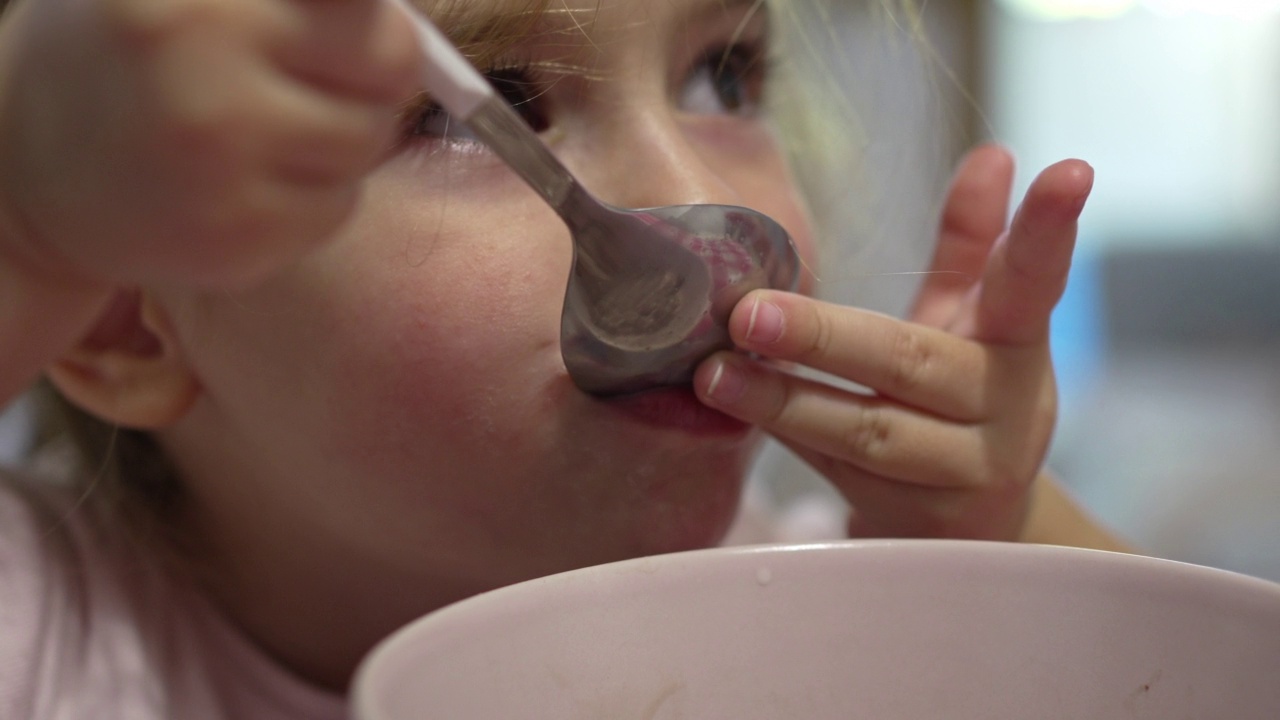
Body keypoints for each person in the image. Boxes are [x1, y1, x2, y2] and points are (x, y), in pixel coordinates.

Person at [0, 0, 1130, 716]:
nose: (701, 208)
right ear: (118, 319)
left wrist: (992, 561)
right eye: (484, 106)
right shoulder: (47, 635)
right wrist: (28, 228)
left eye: (722, 76)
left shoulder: (810, 618)